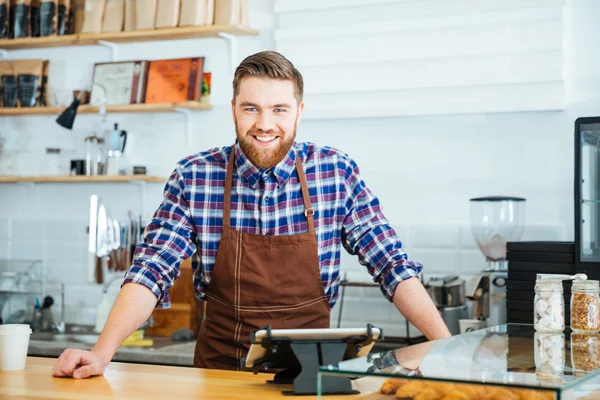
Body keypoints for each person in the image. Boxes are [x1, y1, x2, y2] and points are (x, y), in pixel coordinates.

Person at [52, 50, 451, 379]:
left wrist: (446, 347)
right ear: (233, 110)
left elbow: (390, 263)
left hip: (314, 376)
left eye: (279, 109)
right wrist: (102, 353)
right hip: (221, 374)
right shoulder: (195, 176)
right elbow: (151, 270)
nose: (265, 124)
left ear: (299, 111)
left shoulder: (336, 171)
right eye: (251, 108)